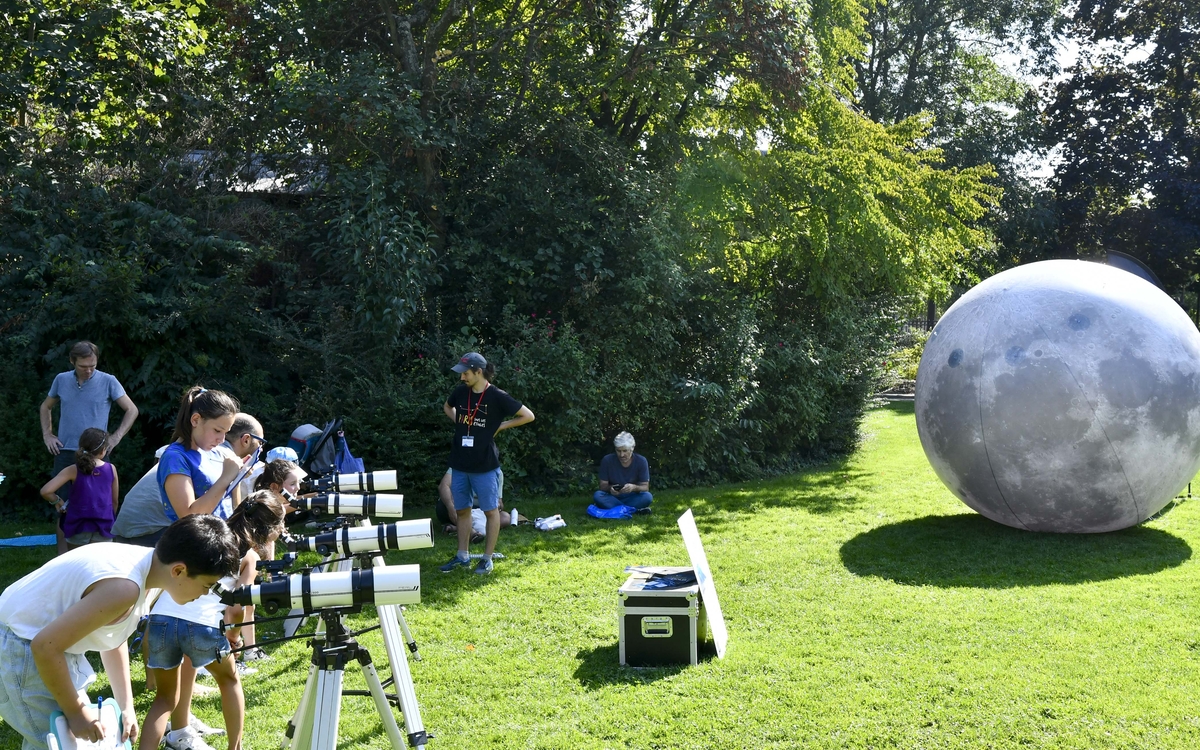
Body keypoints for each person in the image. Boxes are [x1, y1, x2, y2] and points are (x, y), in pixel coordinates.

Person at [0, 515, 240, 750]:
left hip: (47, 649)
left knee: (67, 742)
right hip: (23, 647)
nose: (205, 594)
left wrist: (126, 707)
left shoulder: (150, 571)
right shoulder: (125, 587)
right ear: (178, 571)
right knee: (56, 742)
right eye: (206, 586)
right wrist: (75, 712)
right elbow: (44, 647)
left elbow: (111, 638)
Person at [140, 492, 286, 750]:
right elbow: (238, 606)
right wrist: (234, 636)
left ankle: (174, 731)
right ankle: (235, 747)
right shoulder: (248, 555)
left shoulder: (208, 534)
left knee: (164, 699)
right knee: (229, 681)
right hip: (201, 626)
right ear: (267, 528)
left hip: (160, 619)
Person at [39, 341, 139, 554]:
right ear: (72, 361)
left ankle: (96, 556)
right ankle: (62, 562)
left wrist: (115, 437)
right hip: (66, 453)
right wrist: (48, 434)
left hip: (98, 454)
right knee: (64, 509)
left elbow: (131, 410)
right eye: (83, 366)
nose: (89, 370)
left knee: (98, 506)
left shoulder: (108, 381)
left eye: (92, 365)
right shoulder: (61, 380)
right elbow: (45, 406)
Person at [439, 352, 534, 575]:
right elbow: (447, 407)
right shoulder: (461, 392)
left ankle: (487, 559)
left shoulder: (497, 396)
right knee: (463, 511)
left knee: (491, 512)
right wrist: (461, 424)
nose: (462, 378)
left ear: (478, 372)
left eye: (466, 373)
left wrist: (500, 426)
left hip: (485, 466)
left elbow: (528, 415)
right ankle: (462, 557)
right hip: (460, 464)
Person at [114, 413, 264, 547]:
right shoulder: (223, 458)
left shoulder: (213, 452)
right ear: (246, 439)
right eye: (260, 443)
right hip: (146, 533)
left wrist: (236, 478)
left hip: (132, 529)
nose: (260, 449)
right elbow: (220, 518)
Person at [158, 387, 243, 523]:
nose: (222, 440)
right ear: (195, 420)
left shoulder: (214, 453)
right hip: (194, 542)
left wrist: (237, 475)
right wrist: (226, 477)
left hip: (219, 539)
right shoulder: (175, 458)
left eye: (225, 433)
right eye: (217, 430)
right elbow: (188, 516)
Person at [40, 428, 119, 549]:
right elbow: (114, 501)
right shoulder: (111, 469)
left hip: (78, 526)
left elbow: (46, 491)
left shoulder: (73, 469)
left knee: (77, 564)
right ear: (103, 450)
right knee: (100, 565)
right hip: (104, 525)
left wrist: (57, 501)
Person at [436, 468, 519, 540]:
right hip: (456, 506)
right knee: (456, 506)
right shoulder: (460, 465)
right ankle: (472, 533)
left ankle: (456, 528)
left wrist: (498, 505)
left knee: (505, 518)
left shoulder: (497, 472)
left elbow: (499, 501)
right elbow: (443, 486)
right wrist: (450, 506)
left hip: (480, 510)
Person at [593, 432, 653, 510]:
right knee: (598, 495)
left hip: (632, 496)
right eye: (618, 451)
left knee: (647, 497)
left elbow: (645, 487)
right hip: (613, 496)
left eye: (625, 451)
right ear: (615, 449)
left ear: (632, 449)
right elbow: (603, 486)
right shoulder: (607, 460)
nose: (621, 455)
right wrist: (611, 488)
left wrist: (633, 487)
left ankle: (617, 509)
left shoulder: (641, 461)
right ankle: (630, 509)